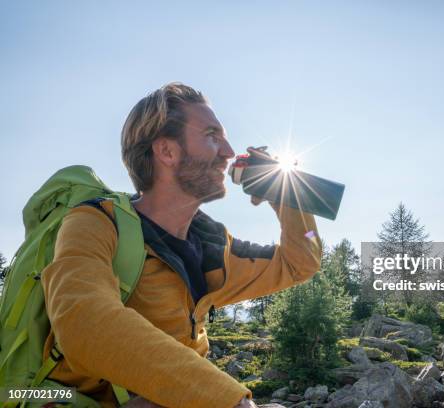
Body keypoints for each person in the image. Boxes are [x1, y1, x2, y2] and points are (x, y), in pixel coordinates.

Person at [40, 83, 322, 407]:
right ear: (167, 152)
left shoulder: (214, 248)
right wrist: (227, 400)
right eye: (212, 135)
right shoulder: (95, 222)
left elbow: (302, 261)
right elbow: (84, 323)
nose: (229, 152)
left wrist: (288, 198)